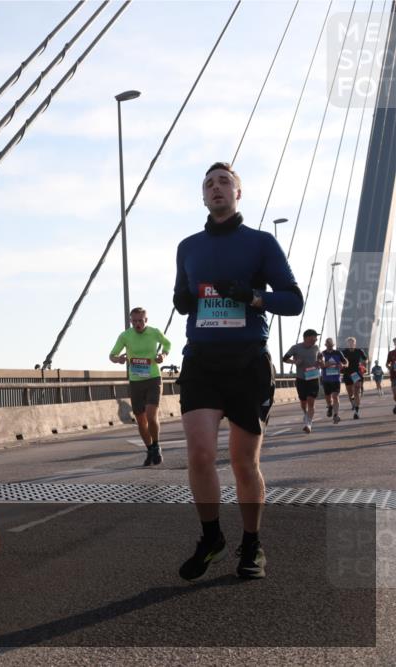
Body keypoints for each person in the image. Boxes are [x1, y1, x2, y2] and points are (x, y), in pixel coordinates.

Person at [172, 162, 303, 581]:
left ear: (237, 193)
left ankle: (252, 543)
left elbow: (293, 300)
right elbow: (183, 293)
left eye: (224, 181)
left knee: (243, 463)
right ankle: (211, 537)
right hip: (201, 363)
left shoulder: (261, 243)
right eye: (208, 183)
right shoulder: (188, 247)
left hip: (247, 363)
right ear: (203, 196)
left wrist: (253, 297)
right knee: (199, 454)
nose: (216, 188)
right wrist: (182, 299)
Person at [109, 307, 172, 465]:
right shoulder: (125, 336)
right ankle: (150, 449)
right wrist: (119, 359)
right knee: (141, 420)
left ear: (146, 320)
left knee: (151, 416)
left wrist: (162, 355)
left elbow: (167, 343)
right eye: (134, 321)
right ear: (131, 321)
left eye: (140, 321)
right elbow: (112, 355)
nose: (137, 324)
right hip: (136, 381)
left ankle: (156, 445)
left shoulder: (154, 332)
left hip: (153, 379)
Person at [281, 330, 323, 433]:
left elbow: (321, 357)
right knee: (303, 402)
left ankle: (309, 423)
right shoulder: (295, 348)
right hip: (301, 378)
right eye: (314, 337)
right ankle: (305, 414)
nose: (316, 339)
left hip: (313, 378)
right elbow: (285, 358)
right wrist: (294, 362)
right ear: (307, 337)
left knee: (311, 401)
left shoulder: (316, 347)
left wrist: (320, 361)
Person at [320, 338, 347, 424]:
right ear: (325, 345)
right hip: (326, 379)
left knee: (335, 396)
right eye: (328, 344)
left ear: (333, 345)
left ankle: (336, 415)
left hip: (336, 379)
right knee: (328, 397)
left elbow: (346, 362)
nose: (330, 346)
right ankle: (329, 406)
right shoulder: (322, 354)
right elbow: (320, 365)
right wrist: (325, 364)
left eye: (331, 344)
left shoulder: (338, 353)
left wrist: (343, 365)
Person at [340, 337, 368, 419]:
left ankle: (356, 411)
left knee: (356, 391)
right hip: (347, 373)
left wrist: (364, 363)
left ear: (355, 343)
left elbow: (365, 359)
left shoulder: (359, 351)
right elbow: (340, 361)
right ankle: (353, 403)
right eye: (349, 343)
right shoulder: (343, 352)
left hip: (356, 373)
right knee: (350, 393)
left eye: (352, 342)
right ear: (347, 344)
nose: (351, 344)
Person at [387, 338, 396, 414]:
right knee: (395, 393)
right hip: (394, 375)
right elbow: (387, 363)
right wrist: (390, 368)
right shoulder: (391, 353)